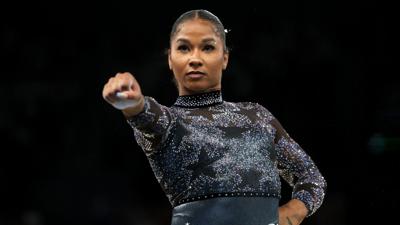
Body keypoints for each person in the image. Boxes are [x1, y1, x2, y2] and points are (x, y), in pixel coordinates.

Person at [102, 9, 326, 225]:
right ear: (170, 59)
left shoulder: (258, 116)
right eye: (184, 48)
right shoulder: (169, 123)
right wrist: (132, 101)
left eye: (207, 48)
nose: (195, 59)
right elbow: (145, 116)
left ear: (225, 57)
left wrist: (292, 213)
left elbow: (312, 179)